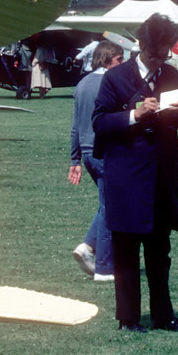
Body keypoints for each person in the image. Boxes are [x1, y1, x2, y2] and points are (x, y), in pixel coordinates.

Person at [92, 15, 178, 331]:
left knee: (160, 251)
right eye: (155, 54)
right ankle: (128, 318)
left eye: (165, 53)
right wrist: (134, 114)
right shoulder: (116, 78)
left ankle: (163, 315)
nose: (160, 60)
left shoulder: (172, 75)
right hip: (127, 177)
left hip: (161, 179)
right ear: (141, 46)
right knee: (127, 251)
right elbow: (100, 122)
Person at [70, 41, 123, 281]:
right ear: (108, 59)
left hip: (87, 152)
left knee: (106, 204)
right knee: (111, 207)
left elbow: (75, 126)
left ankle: (87, 247)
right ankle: (103, 266)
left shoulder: (82, 84)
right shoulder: (110, 83)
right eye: (119, 60)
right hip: (104, 151)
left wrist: (75, 159)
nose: (122, 65)